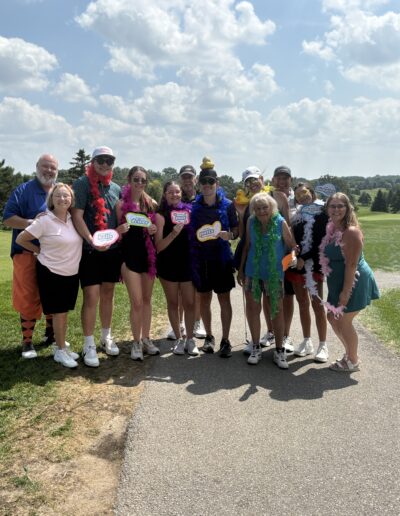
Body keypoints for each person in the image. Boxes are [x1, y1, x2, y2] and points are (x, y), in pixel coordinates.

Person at [15, 184, 82, 368]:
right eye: (58, 196)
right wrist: (38, 250)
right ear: (51, 199)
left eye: (66, 196)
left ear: (71, 199)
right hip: (51, 272)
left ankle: (61, 347)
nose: (62, 199)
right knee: (59, 313)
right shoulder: (45, 220)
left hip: (71, 273)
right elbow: (21, 239)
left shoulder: (73, 219)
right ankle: (60, 351)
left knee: (64, 313)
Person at [72, 146, 125, 367]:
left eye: (109, 161)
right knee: (91, 295)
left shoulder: (116, 188)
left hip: (112, 251)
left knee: (108, 293)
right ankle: (88, 343)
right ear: (92, 162)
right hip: (90, 251)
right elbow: (77, 216)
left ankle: (105, 336)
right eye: (100, 160)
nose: (104, 164)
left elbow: (123, 215)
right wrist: (91, 240)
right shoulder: (82, 184)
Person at [3, 154, 59, 359]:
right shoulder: (23, 190)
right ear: (37, 167)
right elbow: (8, 218)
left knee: (52, 293)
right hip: (26, 252)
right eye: (45, 166)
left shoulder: (59, 191)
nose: (49, 171)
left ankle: (51, 335)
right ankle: (27, 342)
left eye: (53, 168)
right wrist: (31, 223)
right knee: (28, 296)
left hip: (53, 254)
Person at [319, 193, 379, 372]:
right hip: (337, 282)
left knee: (344, 321)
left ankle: (352, 361)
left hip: (354, 281)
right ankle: (349, 354)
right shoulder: (331, 229)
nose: (336, 209)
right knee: (332, 317)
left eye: (340, 206)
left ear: (347, 208)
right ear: (327, 209)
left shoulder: (351, 232)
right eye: (333, 206)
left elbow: (352, 264)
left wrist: (345, 293)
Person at [238, 193, 298, 369]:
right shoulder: (251, 222)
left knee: (276, 311)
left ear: (272, 208)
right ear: (253, 210)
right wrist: (241, 270)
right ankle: (256, 347)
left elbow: (292, 246)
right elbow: (247, 246)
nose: (261, 211)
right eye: (257, 208)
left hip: (274, 274)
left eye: (265, 207)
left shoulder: (280, 222)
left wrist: (293, 257)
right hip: (253, 272)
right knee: (253, 309)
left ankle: (279, 350)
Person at [190, 157, 239, 357]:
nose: (207, 185)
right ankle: (209, 337)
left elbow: (236, 230)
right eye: (204, 182)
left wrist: (231, 235)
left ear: (217, 183)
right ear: (199, 184)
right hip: (201, 259)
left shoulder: (228, 205)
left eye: (211, 181)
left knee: (224, 299)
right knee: (204, 299)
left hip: (222, 259)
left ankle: (225, 340)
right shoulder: (194, 206)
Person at [116, 166, 160, 361]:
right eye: (136, 179)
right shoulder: (120, 205)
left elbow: (156, 230)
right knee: (137, 302)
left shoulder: (151, 204)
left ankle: (146, 339)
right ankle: (136, 342)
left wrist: (153, 230)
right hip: (129, 257)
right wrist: (119, 230)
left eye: (143, 180)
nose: (140, 183)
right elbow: (115, 233)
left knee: (147, 300)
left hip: (147, 257)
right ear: (129, 180)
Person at [233, 167, 276, 352]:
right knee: (254, 303)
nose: (252, 184)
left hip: (272, 258)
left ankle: (275, 335)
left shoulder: (274, 197)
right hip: (252, 259)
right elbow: (244, 237)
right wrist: (242, 267)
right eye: (248, 182)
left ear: (262, 179)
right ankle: (257, 339)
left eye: (255, 180)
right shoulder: (243, 204)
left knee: (272, 301)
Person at [155, 181, 197, 355]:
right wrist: (173, 234)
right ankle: (179, 338)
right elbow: (158, 246)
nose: (174, 195)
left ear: (181, 194)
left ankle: (190, 339)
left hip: (187, 263)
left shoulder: (189, 212)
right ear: (165, 194)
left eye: (177, 192)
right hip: (168, 264)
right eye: (170, 192)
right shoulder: (160, 216)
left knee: (190, 303)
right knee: (173, 303)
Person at [287, 183, 329, 362]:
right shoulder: (296, 216)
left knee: (317, 304)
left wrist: (304, 257)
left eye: (304, 192)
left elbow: (321, 241)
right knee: (302, 303)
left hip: (314, 264)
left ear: (311, 192)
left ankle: (323, 345)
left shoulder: (322, 213)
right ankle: (307, 341)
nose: (302, 196)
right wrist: (295, 254)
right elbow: (294, 240)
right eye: (298, 195)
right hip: (298, 264)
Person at [165, 165, 207, 340]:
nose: (187, 180)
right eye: (184, 177)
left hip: (198, 249)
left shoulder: (201, 198)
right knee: (180, 292)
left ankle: (197, 322)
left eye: (190, 177)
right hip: (179, 251)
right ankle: (179, 324)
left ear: (195, 179)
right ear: (180, 179)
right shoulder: (175, 198)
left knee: (196, 290)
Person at [271, 165, 296, 353]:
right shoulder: (268, 197)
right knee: (270, 294)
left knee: (288, 295)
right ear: (273, 180)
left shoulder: (300, 197)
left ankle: (286, 334)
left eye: (285, 178)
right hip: (272, 254)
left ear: (290, 180)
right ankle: (271, 332)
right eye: (279, 178)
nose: (282, 181)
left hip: (291, 253)